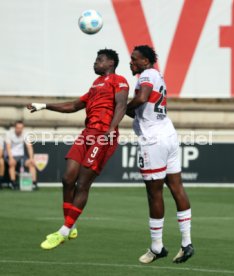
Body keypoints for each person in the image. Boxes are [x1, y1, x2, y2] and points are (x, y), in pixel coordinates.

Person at [27, 48, 129, 250]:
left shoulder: (119, 80)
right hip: (88, 133)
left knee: (82, 183)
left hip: (104, 135)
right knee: (67, 178)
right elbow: (73, 105)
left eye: (99, 60)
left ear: (110, 63)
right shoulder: (95, 85)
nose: (95, 63)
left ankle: (64, 231)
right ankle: (70, 225)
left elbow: (121, 105)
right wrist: (44, 105)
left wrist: (110, 129)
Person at [126, 45, 194, 264]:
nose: (131, 63)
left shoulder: (146, 75)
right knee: (177, 188)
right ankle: (186, 243)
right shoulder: (157, 75)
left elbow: (142, 97)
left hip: (153, 141)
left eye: (134, 59)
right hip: (168, 134)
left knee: (154, 193)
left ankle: (157, 247)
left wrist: (125, 109)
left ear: (145, 61)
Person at [5, 120, 38, 190]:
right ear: (15, 127)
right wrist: (11, 158)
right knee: (12, 164)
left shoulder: (25, 134)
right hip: (11, 155)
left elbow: (29, 147)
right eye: (18, 128)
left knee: (31, 164)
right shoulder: (9, 134)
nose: (19, 130)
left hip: (22, 156)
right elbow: (8, 148)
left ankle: (34, 183)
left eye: (21, 128)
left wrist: (31, 158)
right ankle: (13, 183)